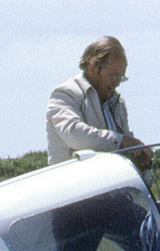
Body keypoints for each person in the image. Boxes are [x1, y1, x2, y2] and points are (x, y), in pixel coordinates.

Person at [46, 37, 149, 166]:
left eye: (121, 78)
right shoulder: (65, 94)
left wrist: (140, 155)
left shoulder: (117, 102)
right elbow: (74, 134)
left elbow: (127, 142)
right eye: (113, 76)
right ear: (93, 67)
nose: (117, 83)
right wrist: (121, 141)